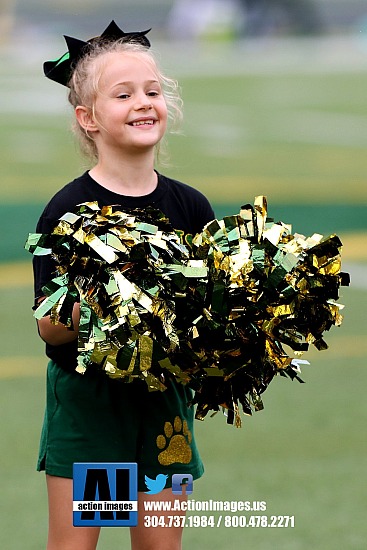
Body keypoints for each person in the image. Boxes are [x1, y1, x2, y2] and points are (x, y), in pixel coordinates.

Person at [33, 20, 215, 550]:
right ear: (88, 119)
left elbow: (204, 316)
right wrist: (107, 285)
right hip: (95, 410)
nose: (144, 102)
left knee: (159, 547)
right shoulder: (69, 210)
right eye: (124, 94)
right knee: (78, 546)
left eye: (153, 92)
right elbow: (50, 329)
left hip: (163, 405)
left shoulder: (190, 207)